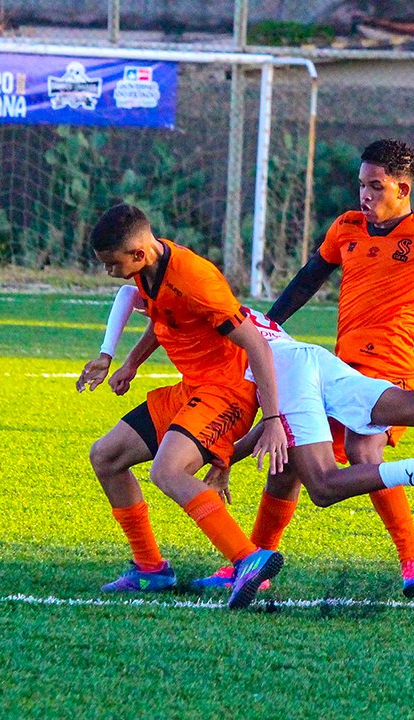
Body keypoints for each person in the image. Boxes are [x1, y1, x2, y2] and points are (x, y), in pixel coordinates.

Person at [192, 138, 414, 596]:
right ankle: (253, 562)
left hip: (389, 371)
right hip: (339, 368)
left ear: (403, 189)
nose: (365, 195)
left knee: (363, 452)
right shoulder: (347, 227)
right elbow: (308, 278)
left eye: (376, 186)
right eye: (362, 185)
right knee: (287, 460)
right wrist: (266, 331)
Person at [82, 249, 414, 548]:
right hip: (307, 355)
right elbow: (143, 309)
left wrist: (238, 447)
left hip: (286, 368)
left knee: (323, 485)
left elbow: (258, 390)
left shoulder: (194, 298)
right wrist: (124, 360)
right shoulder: (180, 295)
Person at [81, 203, 288, 611]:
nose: (108, 271)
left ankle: (248, 559)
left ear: (138, 253)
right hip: (192, 389)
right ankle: (150, 569)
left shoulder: (196, 280)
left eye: (112, 263)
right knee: (106, 456)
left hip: (227, 392)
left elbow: (257, 346)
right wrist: (128, 363)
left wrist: (272, 419)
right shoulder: (148, 270)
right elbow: (165, 318)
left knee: (168, 470)